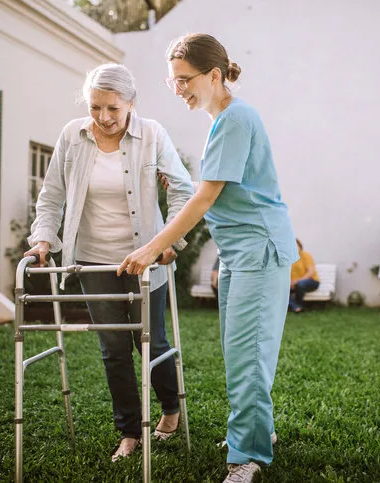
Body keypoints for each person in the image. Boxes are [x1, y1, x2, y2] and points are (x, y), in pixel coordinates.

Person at [116, 33, 298, 483]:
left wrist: (151, 247)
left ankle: (247, 457)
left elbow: (202, 199)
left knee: (247, 356)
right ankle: (259, 432)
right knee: (244, 353)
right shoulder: (224, 119)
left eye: (185, 79)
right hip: (240, 253)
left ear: (214, 75)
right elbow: (218, 201)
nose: (178, 88)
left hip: (259, 251)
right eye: (172, 80)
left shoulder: (235, 119)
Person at [24, 63, 194, 461]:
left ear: (131, 103)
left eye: (113, 109)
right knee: (112, 346)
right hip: (91, 260)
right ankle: (130, 432)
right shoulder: (72, 135)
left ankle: (170, 410)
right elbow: (51, 195)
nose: (103, 117)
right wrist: (43, 239)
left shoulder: (152, 134)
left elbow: (184, 190)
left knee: (150, 341)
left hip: (144, 258)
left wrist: (169, 241)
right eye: (95, 107)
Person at [289, 239, 320, 313]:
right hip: (293, 284)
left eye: (296, 245)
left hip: (311, 281)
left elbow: (311, 272)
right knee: (280, 290)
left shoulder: (306, 255)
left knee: (300, 284)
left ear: (300, 246)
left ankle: (298, 304)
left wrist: (297, 281)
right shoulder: (288, 258)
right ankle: (296, 307)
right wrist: (290, 283)